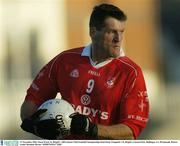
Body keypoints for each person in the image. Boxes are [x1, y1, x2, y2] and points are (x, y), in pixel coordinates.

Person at [20, 3, 149, 140]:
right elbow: (31, 103)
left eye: (121, 32)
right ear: (93, 32)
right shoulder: (65, 61)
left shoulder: (131, 73)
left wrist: (91, 128)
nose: (119, 38)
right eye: (111, 32)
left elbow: (131, 131)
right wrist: (34, 126)